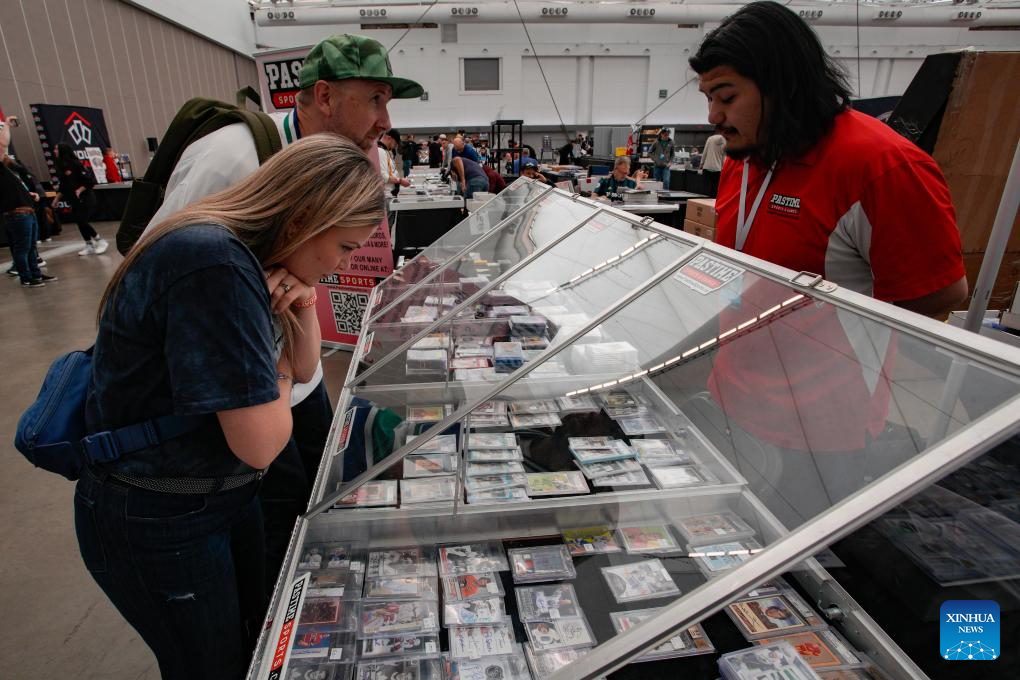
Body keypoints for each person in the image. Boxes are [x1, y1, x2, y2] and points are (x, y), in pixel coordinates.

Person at [76, 135, 384, 680]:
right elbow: (262, 442)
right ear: (303, 219)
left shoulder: (244, 257)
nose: (344, 262)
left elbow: (310, 366)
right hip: (160, 516)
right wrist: (279, 371)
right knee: (208, 665)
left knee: (245, 648)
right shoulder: (214, 263)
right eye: (343, 247)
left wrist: (304, 301)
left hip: (214, 499)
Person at [133, 33, 423, 589]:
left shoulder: (358, 161)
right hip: (234, 395)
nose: (385, 120)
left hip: (293, 378)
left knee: (306, 503)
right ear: (324, 96)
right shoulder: (232, 154)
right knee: (262, 528)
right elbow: (157, 266)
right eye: (377, 99)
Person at [689, 1, 967, 525]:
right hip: (732, 398)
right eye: (708, 98)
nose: (713, 117)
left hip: (817, 428)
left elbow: (940, 293)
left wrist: (841, 329)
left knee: (794, 578)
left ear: (782, 84)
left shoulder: (880, 165)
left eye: (726, 97)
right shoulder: (745, 159)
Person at [1, 140, 57, 287]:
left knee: (31, 247)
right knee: (23, 248)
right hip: (18, 215)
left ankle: (36, 274)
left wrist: (31, 195)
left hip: (27, 212)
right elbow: (2, 145)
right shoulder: (2, 173)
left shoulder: (13, 175)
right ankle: (26, 278)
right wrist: (6, 125)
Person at [53, 143, 109, 256]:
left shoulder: (76, 164)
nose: (54, 151)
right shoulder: (61, 167)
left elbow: (90, 181)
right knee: (79, 222)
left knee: (82, 220)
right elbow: (63, 187)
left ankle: (100, 241)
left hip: (86, 199)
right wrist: (56, 199)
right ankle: (89, 244)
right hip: (74, 200)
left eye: (56, 149)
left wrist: (80, 190)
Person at [379, 128, 411, 194]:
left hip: (390, 192)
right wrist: (400, 180)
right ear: (389, 138)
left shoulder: (386, 151)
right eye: (395, 143)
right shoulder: (380, 151)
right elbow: (383, 176)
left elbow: (392, 171)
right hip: (386, 193)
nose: (395, 146)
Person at [700, 132, 726, 196]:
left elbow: (705, 152)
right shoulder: (725, 141)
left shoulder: (710, 139)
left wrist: (701, 163)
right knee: (715, 188)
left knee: (705, 188)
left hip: (707, 167)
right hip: (718, 169)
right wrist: (722, 167)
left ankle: (703, 203)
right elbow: (724, 157)